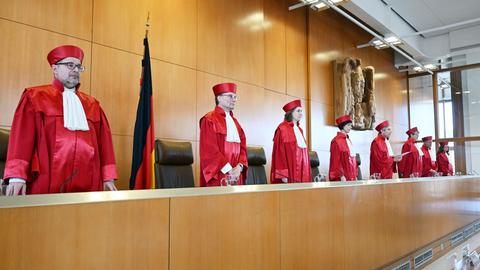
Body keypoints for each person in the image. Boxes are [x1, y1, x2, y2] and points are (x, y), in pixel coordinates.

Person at [4, 45, 118, 196]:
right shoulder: (34, 97)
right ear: (54, 68)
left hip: (89, 181)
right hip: (46, 179)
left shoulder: (93, 105)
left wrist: (108, 177)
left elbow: (105, 144)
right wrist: (17, 176)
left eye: (79, 66)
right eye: (70, 65)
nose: (76, 70)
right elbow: (21, 138)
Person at [199, 82, 248, 186]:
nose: (234, 99)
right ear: (219, 98)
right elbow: (209, 151)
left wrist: (239, 167)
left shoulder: (236, 123)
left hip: (236, 175)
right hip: (219, 174)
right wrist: (230, 170)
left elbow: (243, 149)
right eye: (230, 96)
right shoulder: (209, 120)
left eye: (235, 97)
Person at [271, 100, 311, 184]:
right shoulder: (282, 129)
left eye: (301, 111)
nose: (301, 113)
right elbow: (279, 153)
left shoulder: (300, 130)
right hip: (291, 174)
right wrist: (283, 175)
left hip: (304, 173)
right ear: (291, 112)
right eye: (298, 111)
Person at [329, 115, 357, 181]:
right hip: (342, 177)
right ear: (343, 126)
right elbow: (335, 160)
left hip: (351, 175)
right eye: (348, 125)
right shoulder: (336, 141)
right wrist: (340, 175)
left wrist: (355, 174)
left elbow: (353, 159)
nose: (351, 127)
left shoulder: (348, 140)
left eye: (351, 125)